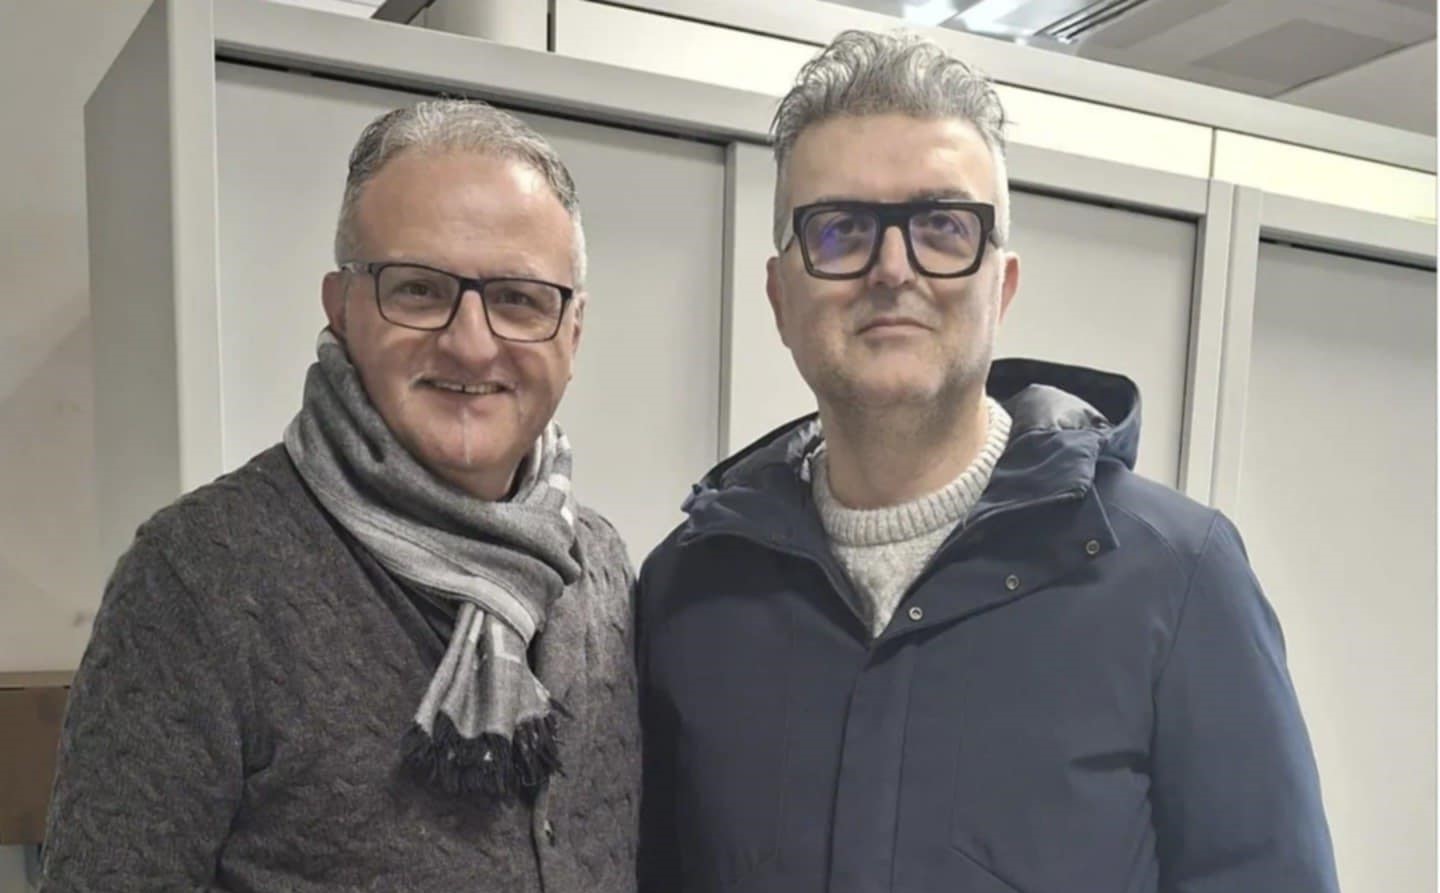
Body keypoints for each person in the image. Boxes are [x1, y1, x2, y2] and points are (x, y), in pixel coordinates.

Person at [636, 30, 1338, 893]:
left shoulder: (1177, 581)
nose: (892, 268)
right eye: (841, 229)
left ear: (1001, 287)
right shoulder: (690, 594)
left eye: (942, 226)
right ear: (781, 298)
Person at [41, 100, 638, 892]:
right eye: (418, 289)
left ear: (574, 331)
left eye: (519, 298)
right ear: (342, 307)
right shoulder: (198, 581)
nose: (471, 342)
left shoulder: (601, 571)